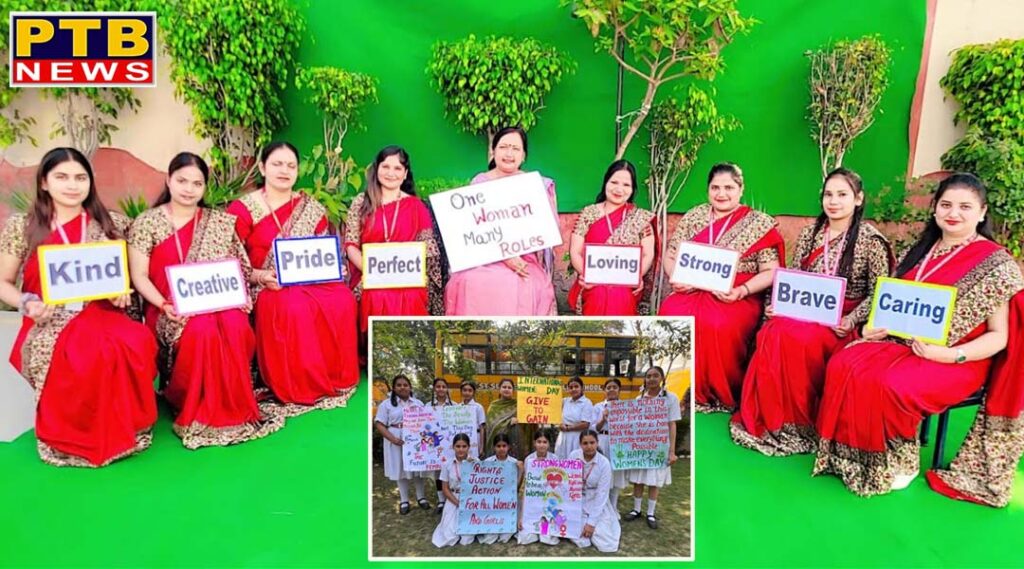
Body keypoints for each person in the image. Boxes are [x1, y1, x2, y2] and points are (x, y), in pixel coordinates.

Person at [812, 173, 1024, 502]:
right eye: (946, 205)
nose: (954, 213)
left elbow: (999, 338)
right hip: (901, 343)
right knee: (845, 362)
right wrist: (872, 328)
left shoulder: (996, 264)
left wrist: (949, 355)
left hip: (958, 359)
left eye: (965, 207)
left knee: (892, 383)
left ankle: (896, 461)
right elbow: (891, 302)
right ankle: (849, 456)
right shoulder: (922, 249)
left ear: (982, 213)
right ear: (935, 210)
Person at [0, 147, 157, 466]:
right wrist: (26, 302)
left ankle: (127, 425)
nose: (72, 185)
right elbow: (4, 282)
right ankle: (71, 435)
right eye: (62, 177)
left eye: (80, 178)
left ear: (90, 182)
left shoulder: (109, 223)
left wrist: (119, 294)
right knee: (83, 353)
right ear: (44, 182)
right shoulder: (24, 226)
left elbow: (117, 280)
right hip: (48, 316)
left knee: (133, 341)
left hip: (99, 311)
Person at [730, 168, 893, 456]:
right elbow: (794, 276)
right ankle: (773, 419)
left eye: (842, 195)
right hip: (806, 307)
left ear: (858, 199)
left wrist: (852, 319)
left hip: (844, 317)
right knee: (774, 331)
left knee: (801, 340)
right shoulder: (810, 233)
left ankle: (802, 422)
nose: (834, 201)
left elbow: (879, 293)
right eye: (828, 194)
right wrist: (778, 304)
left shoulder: (872, 241)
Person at [128, 152, 283, 449]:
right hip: (170, 308)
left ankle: (235, 407)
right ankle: (190, 401)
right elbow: (139, 276)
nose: (189, 189)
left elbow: (240, 268)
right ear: (168, 180)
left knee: (236, 325)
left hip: (218, 302)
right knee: (201, 332)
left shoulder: (220, 223)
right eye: (182, 181)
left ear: (204, 187)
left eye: (196, 183)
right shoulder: (147, 223)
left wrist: (253, 285)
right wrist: (164, 305)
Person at [227, 141, 360, 415]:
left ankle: (334, 376)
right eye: (277, 164)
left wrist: (334, 268)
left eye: (291, 165)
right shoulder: (243, 209)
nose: (284, 171)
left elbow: (323, 250)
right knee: (292, 306)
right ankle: (296, 383)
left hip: (308, 280)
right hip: (264, 284)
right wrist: (260, 275)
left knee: (342, 298)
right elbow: (228, 261)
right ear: (263, 167)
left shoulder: (310, 207)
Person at [658, 163, 785, 413]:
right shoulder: (694, 216)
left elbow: (772, 270)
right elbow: (670, 255)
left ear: (741, 189)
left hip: (735, 294)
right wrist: (676, 278)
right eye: (715, 187)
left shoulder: (757, 223)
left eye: (729, 187)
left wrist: (743, 290)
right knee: (671, 311)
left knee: (718, 324)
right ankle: (678, 389)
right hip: (691, 289)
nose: (721, 194)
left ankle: (719, 391)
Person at [444, 126, 558, 316]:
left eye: (515, 148)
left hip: (524, 258)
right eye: (504, 147)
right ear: (493, 151)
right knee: (470, 281)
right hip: (484, 257)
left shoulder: (536, 185)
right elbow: (472, 232)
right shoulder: (480, 183)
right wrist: (505, 256)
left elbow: (546, 232)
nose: (509, 153)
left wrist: (515, 256)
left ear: (524, 156)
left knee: (525, 282)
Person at [344, 145, 440, 341]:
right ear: (376, 169)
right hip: (368, 274)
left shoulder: (416, 206)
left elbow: (428, 250)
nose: (391, 173)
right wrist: (371, 270)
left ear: (405, 174)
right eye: (385, 167)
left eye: (397, 168)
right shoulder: (361, 202)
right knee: (377, 294)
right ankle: (377, 354)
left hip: (406, 275)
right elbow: (351, 244)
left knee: (411, 293)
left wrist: (409, 273)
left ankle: (408, 354)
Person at [568, 160, 657, 315]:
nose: (619, 189)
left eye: (626, 185)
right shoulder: (589, 213)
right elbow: (575, 251)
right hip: (592, 281)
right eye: (614, 182)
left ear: (633, 189)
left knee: (619, 295)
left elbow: (648, 254)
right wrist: (587, 275)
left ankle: (622, 339)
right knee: (599, 294)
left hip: (625, 283)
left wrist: (635, 277)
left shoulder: (640, 217)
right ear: (605, 183)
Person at [624, 366, 681, 529]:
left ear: (662, 378)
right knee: (638, 479)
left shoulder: (671, 398)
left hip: (659, 447)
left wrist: (672, 451)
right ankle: (636, 509)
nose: (652, 379)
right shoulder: (638, 399)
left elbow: (672, 424)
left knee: (654, 481)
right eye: (648, 376)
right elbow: (633, 424)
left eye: (655, 376)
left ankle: (650, 512)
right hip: (641, 447)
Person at [374, 375, 430, 514]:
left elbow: (427, 422)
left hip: (415, 440)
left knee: (417, 469)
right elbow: (379, 424)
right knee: (400, 469)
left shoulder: (418, 403)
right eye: (399, 385)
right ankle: (404, 500)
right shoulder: (386, 404)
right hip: (396, 438)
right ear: (394, 387)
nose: (402, 387)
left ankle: (421, 497)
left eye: (405, 384)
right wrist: (392, 438)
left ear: (410, 387)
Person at [569, 430, 622, 553]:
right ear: (580, 444)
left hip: (596, 500)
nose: (589, 446)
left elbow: (602, 495)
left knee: (607, 543)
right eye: (585, 443)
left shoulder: (604, 463)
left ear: (597, 443)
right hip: (577, 498)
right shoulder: (573, 456)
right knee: (581, 537)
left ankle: (593, 526)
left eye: (592, 442)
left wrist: (591, 523)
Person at [477, 433, 524, 545]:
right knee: (491, 534)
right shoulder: (488, 463)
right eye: (498, 446)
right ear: (494, 447)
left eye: (504, 446)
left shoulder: (514, 463)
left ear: (508, 447)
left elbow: (516, 488)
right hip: (492, 502)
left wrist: (521, 471)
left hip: (509, 502)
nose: (501, 449)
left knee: (505, 536)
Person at [432, 433, 477, 547]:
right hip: (454, 499)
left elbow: (482, 484)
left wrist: (474, 467)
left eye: (464, 446)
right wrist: (458, 503)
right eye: (458, 446)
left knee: (466, 538)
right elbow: (445, 488)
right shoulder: (447, 464)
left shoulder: (475, 461)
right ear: (453, 447)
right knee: (449, 536)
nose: (461, 449)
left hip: (471, 499)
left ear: (468, 447)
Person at [517, 429, 559, 546]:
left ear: (549, 444)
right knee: (525, 538)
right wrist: (522, 516)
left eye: (545, 442)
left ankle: (544, 529)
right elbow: (526, 487)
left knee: (546, 537)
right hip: (533, 503)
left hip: (549, 503)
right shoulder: (529, 460)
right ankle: (534, 528)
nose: (541, 445)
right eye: (539, 442)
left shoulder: (555, 459)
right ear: (534, 443)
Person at [592, 378, 628, 511]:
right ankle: (602, 506)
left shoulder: (626, 406)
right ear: (604, 390)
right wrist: (603, 418)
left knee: (616, 472)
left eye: (614, 387)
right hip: (602, 439)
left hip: (618, 441)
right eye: (609, 387)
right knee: (602, 471)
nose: (611, 390)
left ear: (619, 390)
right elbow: (594, 428)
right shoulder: (598, 407)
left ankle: (613, 506)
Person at [484, 378, 532, 460]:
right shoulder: (493, 406)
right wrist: (508, 422)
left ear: (513, 390)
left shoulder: (519, 405)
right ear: (499, 389)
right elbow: (491, 426)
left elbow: (527, 422)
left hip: (515, 444)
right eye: (504, 387)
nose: (507, 389)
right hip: (498, 444)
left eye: (509, 388)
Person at [426, 377, 453, 513]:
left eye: (443, 386)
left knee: (450, 471)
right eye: (438, 386)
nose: (441, 389)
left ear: (447, 389)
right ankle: (441, 501)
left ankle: (450, 499)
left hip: (449, 446)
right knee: (438, 473)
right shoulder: (427, 406)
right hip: (435, 445)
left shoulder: (455, 406)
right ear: (434, 388)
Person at [554, 377, 594, 458]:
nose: (573, 389)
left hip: (577, 437)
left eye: (576, 386)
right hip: (563, 436)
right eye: (571, 387)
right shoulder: (565, 401)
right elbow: (553, 412)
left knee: (575, 461)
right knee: (561, 461)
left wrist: (568, 428)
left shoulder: (587, 402)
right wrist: (559, 424)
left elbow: (585, 424)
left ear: (582, 388)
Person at [460, 380, 487, 455]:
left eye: (470, 390)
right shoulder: (458, 407)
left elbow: (482, 428)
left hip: (475, 437)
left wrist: (481, 447)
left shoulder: (478, 407)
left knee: (473, 460)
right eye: (464, 390)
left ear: (473, 392)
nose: (467, 393)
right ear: (461, 392)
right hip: (461, 438)